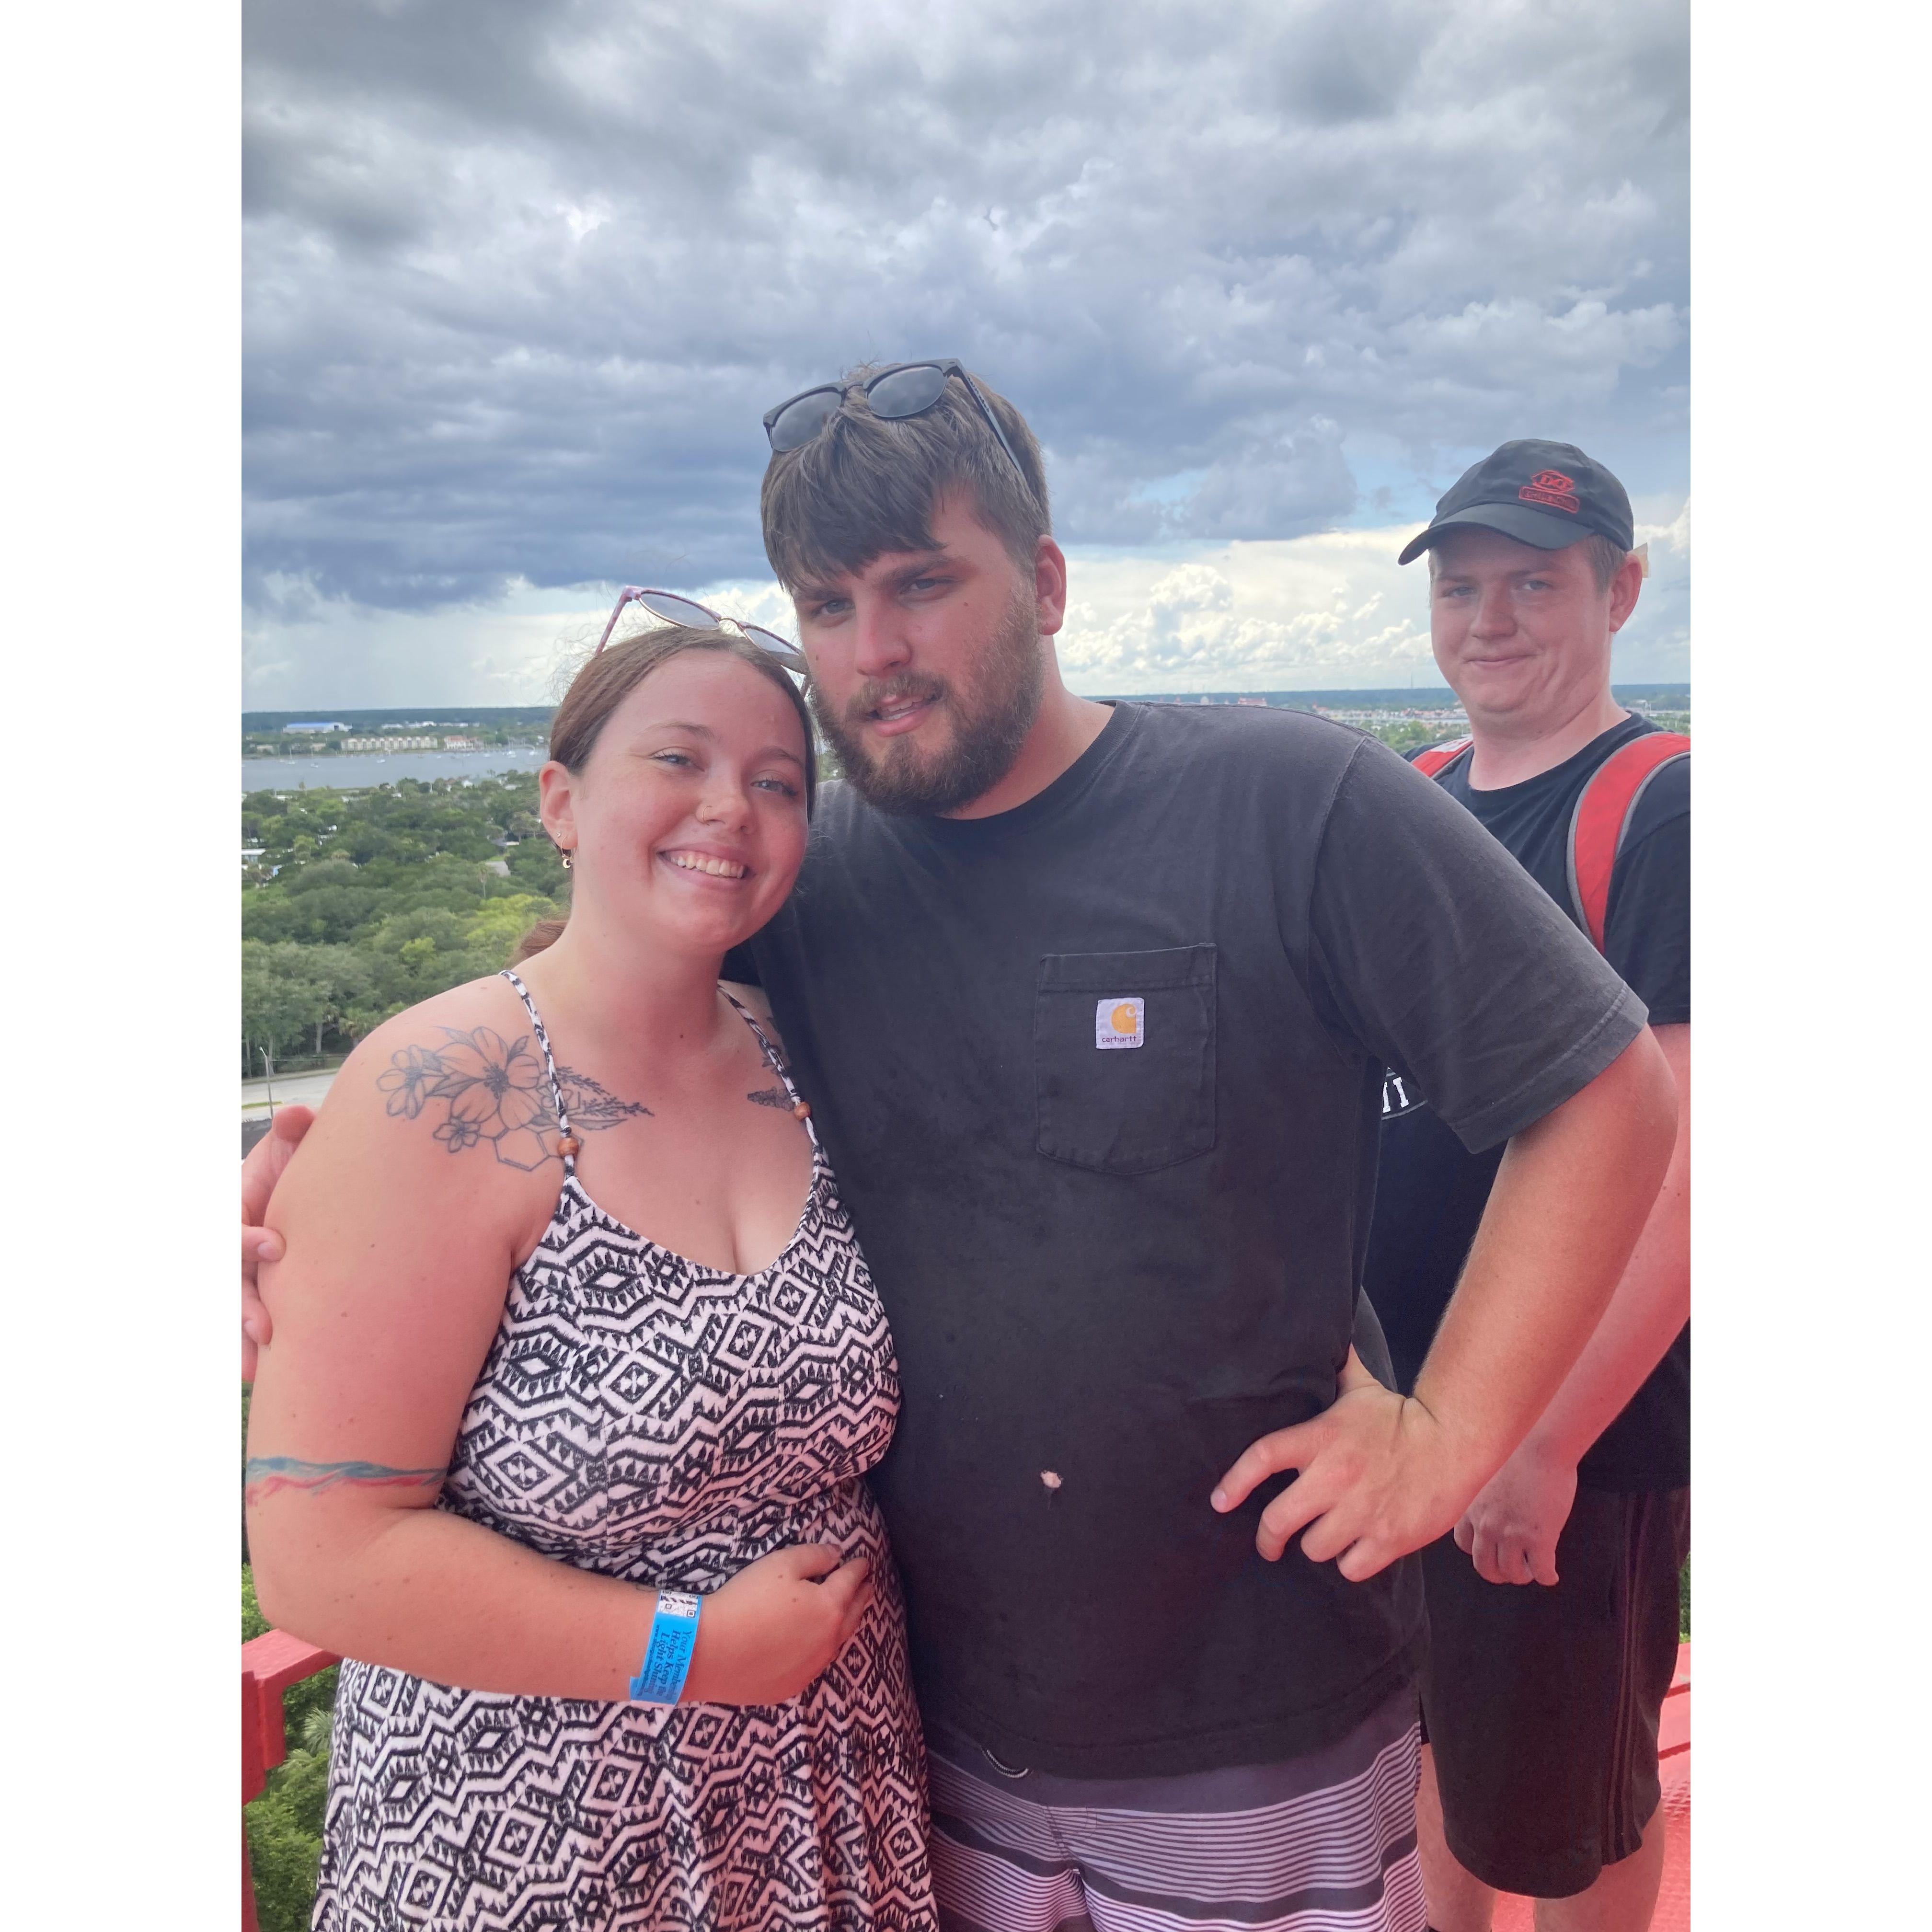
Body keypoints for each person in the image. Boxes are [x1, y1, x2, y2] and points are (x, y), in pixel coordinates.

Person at [246, 364, 1679, 1932]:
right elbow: (577, 1034)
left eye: (924, 584)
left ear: (1048, 584)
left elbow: (1608, 1093)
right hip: (910, 1751)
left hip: (1252, 1732)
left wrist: (1451, 1436)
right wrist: (287, 1199)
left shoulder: (1285, 801)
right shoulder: (802, 876)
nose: (876, 649)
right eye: (830, 601)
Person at [243, 623, 934, 1932]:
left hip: (822, 1785)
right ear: (559, 801)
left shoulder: (807, 1057)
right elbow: (319, 1564)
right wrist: (695, 1651)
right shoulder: (440, 1087)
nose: (730, 807)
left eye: (780, 781)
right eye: (679, 757)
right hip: (540, 1824)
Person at [1363, 439, 1690, 1932]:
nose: (1489, 620)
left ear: (1621, 591)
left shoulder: (1665, 811)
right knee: (1438, 1748)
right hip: (1409, 1411)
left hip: (1567, 1439)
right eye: (1464, 588)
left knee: (1575, 1804)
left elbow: (1695, 1163)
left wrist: (1544, 1440)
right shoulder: (1416, 801)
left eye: (1535, 585)